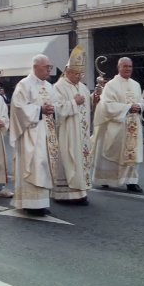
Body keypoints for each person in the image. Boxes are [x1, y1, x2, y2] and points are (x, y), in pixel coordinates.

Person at [10, 54, 59, 216]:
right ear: (35, 67)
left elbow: (55, 104)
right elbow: (18, 108)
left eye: (50, 67)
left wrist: (53, 109)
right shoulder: (24, 85)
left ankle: (41, 202)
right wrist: (39, 110)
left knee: (44, 165)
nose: (49, 70)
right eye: (46, 67)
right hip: (31, 134)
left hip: (47, 132)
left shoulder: (49, 86)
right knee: (34, 165)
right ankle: (29, 203)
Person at [92, 57, 144, 193]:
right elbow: (106, 105)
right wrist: (127, 107)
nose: (128, 69)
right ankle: (106, 179)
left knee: (132, 152)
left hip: (133, 124)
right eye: (125, 66)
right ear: (119, 67)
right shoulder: (111, 85)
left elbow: (141, 101)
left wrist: (139, 106)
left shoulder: (136, 85)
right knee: (115, 152)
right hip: (118, 125)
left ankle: (131, 181)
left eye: (130, 67)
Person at [53, 46, 97, 205]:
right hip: (67, 132)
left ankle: (80, 192)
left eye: (81, 74)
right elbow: (55, 110)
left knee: (81, 159)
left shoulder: (83, 87)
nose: (79, 77)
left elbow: (87, 107)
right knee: (68, 158)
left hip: (82, 134)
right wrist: (73, 103)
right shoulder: (58, 87)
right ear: (67, 72)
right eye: (77, 74)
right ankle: (65, 194)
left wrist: (95, 99)